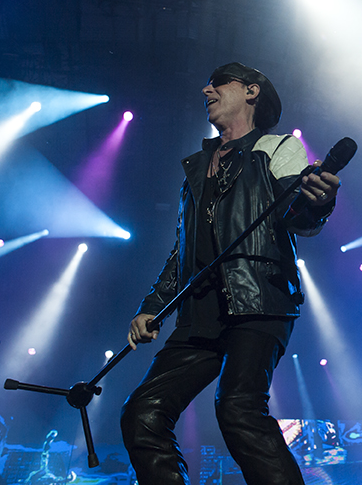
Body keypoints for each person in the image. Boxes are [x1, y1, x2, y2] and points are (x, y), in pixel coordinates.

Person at [120, 62, 340, 485]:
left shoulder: (277, 148)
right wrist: (153, 306)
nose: (207, 91)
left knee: (239, 408)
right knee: (142, 412)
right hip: (200, 310)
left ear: (251, 91)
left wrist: (318, 202)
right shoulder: (197, 166)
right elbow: (183, 251)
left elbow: (297, 215)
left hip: (259, 297)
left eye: (218, 83)